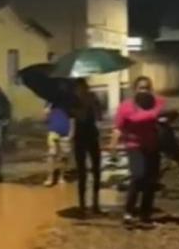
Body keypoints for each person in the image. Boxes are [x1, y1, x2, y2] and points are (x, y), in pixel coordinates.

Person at [112, 76, 166, 226]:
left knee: (151, 180)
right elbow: (118, 128)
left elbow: (168, 117)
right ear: (135, 90)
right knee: (138, 176)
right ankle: (128, 212)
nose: (144, 91)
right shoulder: (126, 107)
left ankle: (145, 214)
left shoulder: (157, 103)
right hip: (134, 146)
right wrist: (113, 147)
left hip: (153, 146)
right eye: (141, 88)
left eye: (147, 88)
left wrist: (165, 121)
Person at [71, 79, 102, 216]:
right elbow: (77, 117)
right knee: (81, 173)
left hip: (92, 137)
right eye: (78, 89)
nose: (81, 91)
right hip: (79, 139)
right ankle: (82, 205)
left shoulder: (92, 98)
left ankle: (95, 204)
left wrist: (94, 105)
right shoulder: (73, 101)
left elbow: (99, 116)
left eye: (83, 88)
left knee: (96, 171)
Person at [44, 103, 71, 186]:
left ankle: (61, 177)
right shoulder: (50, 102)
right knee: (52, 154)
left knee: (64, 156)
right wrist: (46, 112)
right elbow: (46, 119)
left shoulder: (70, 101)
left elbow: (74, 118)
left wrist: (71, 134)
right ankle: (50, 178)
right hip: (53, 131)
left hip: (66, 132)